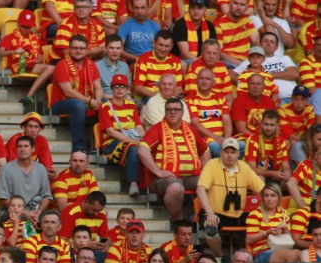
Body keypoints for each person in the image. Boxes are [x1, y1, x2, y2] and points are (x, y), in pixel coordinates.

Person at [139, 98, 211, 226]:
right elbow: (142, 150)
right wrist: (157, 171)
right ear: (165, 112)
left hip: (192, 176)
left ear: (182, 112)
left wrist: (205, 172)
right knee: (175, 188)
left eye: (176, 109)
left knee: (214, 182)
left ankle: (201, 217)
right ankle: (179, 220)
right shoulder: (157, 129)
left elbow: (205, 151)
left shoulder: (190, 129)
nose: (172, 112)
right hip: (166, 179)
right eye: (169, 109)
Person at [197, 137, 265, 263]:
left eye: (233, 152)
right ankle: (221, 257)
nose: (229, 155)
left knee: (263, 221)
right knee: (210, 227)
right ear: (221, 152)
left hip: (239, 213)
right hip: (215, 212)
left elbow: (262, 189)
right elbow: (200, 189)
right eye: (226, 152)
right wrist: (210, 213)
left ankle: (250, 258)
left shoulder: (244, 167)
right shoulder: (212, 164)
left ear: (238, 154)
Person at [50, 35, 102, 154]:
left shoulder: (92, 65)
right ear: (69, 49)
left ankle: (104, 146)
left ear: (87, 50)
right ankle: (79, 148)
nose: (78, 51)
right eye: (75, 48)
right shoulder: (62, 65)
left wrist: (98, 99)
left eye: (82, 48)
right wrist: (89, 101)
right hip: (61, 103)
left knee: (105, 104)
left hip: (87, 100)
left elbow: (98, 86)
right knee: (79, 105)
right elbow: (68, 91)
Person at [0, 10, 54, 110]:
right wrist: (13, 52)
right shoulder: (10, 37)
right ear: (18, 24)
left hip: (33, 65)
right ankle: (30, 95)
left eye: (28, 27)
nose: (26, 29)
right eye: (23, 26)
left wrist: (37, 60)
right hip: (19, 65)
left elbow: (39, 56)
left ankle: (50, 103)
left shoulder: (35, 38)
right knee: (51, 69)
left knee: (55, 72)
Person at [99, 74, 144, 196]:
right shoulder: (105, 107)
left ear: (127, 90)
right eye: (116, 87)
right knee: (133, 148)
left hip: (130, 140)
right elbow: (110, 132)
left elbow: (139, 126)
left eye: (123, 87)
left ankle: (146, 184)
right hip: (110, 144)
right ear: (112, 89)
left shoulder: (131, 105)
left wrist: (143, 140)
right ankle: (133, 183)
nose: (119, 89)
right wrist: (133, 141)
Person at [245, 182, 302, 263]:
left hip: (282, 249)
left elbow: (290, 238)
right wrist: (267, 233)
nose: (269, 199)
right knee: (292, 255)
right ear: (262, 198)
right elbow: (248, 239)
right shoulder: (255, 214)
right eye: (266, 195)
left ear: (279, 198)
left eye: (273, 195)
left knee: (302, 254)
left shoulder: (283, 213)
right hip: (261, 253)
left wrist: (285, 229)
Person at [0, 135, 51, 218]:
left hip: (35, 212)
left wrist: (39, 212)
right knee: (25, 218)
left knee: (51, 217)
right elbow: (3, 200)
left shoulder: (41, 169)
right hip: (11, 212)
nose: (22, 149)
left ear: (33, 149)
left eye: (26, 146)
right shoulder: (6, 169)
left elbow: (46, 196)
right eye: (19, 146)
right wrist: (25, 213)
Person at [186, 68, 234, 159]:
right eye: (201, 78)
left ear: (213, 82)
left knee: (241, 146)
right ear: (196, 81)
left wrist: (227, 138)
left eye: (208, 79)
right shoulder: (190, 99)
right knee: (215, 147)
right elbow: (195, 123)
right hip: (203, 139)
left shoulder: (220, 98)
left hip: (221, 139)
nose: (204, 81)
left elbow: (227, 120)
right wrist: (216, 138)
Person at [133, 30, 185, 102]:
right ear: (154, 43)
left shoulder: (176, 61)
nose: (163, 49)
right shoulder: (143, 59)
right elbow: (138, 88)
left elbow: (178, 88)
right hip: (147, 98)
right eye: (160, 45)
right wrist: (160, 98)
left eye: (166, 46)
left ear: (171, 46)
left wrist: (170, 98)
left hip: (169, 99)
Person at [246, 109, 291, 183]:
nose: (268, 128)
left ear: (277, 126)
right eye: (266, 124)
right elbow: (251, 168)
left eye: (272, 125)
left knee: (290, 181)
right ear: (261, 124)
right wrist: (272, 174)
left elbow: (286, 166)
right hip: (258, 175)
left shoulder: (282, 141)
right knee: (259, 180)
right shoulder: (253, 140)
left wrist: (287, 173)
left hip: (276, 176)